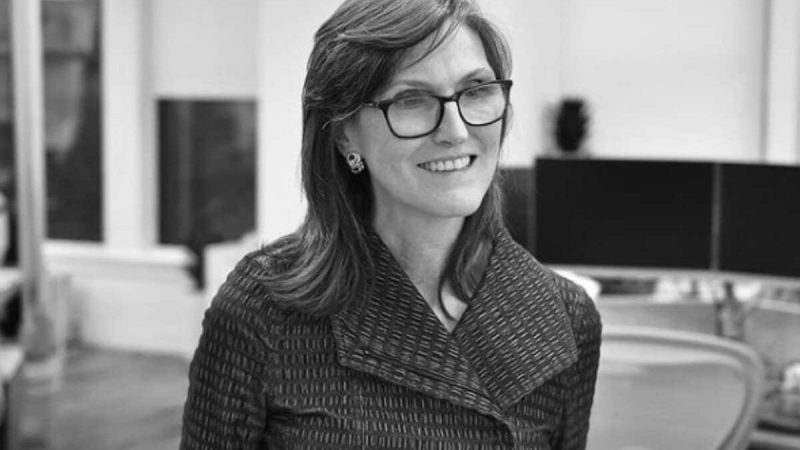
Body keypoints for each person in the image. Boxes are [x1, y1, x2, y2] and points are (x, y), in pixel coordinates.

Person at [180, 0, 602, 448]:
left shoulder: (566, 317)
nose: (456, 131)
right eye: (411, 100)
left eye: (477, 90)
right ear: (344, 133)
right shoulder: (263, 308)